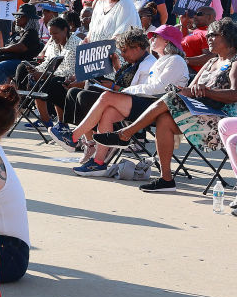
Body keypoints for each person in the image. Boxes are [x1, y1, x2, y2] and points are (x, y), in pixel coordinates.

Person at [94, 19, 237, 193]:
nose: (209, 38)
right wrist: (183, 91)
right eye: (208, 35)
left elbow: (234, 95)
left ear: (228, 37)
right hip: (199, 112)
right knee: (164, 117)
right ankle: (166, 179)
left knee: (169, 99)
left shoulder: (234, 62)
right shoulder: (209, 63)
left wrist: (205, 92)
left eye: (214, 35)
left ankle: (125, 134)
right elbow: (191, 89)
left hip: (220, 121)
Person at [52, 26, 189, 174]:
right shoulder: (161, 60)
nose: (152, 39)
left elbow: (158, 89)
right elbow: (149, 88)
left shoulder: (175, 60)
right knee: (108, 112)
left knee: (105, 97)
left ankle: (73, 137)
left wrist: (123, 90)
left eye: (157, 37)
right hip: (148, 102)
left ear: (168, 41)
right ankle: (98, 162)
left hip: (160, 107)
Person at [15, 17, 81, 128]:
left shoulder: (75, 44)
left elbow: (70, 70)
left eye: (55, 33)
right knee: (29, 74)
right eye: (51, 34)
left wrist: (45, 74)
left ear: (65, 30)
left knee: (52, 83)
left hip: (73, 79)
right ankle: (45, 119)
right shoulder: (55, 43)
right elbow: (48, 62)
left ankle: (62, 123)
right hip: (56, 75)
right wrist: (36, 70)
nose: (53, 37)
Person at [0, 3, 43, 84]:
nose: (16, 18)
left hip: (22, 63)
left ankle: (4, 92)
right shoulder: (18, 32)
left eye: (19, 16)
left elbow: (21, 47)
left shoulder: (31, 33)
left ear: (28, 18)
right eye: (16, 16)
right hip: (7, 58)